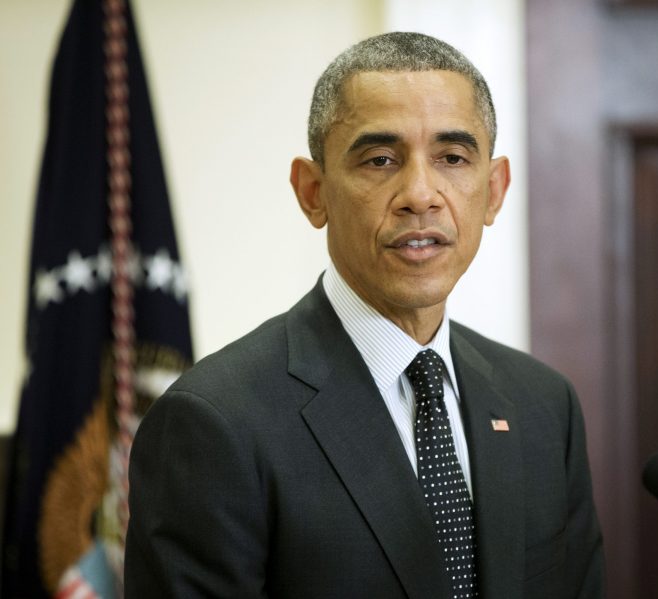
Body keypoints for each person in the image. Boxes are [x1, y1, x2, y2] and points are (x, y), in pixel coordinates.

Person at [124, 32, 604, 598]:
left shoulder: (544, 405)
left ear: (493, 190)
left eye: (452, 158)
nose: (420, 195)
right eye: (380, 160)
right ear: (313, 192)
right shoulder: (213, 422)